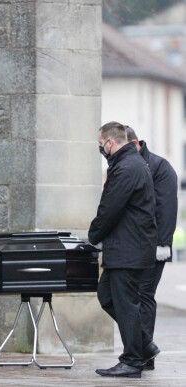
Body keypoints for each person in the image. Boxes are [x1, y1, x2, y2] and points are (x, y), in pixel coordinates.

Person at [89, 121, 157, 379]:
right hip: (128, 248)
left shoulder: (126, 168)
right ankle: (145, 345)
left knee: (126, 305)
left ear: (110, 142)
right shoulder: (129, 164)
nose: (101, 150)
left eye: (100, 145)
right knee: (106, 295)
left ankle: (131, 360)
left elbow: (110, 208)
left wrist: (92, 236)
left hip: (129, 250)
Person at [126, 126, 178, 371]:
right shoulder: (130, 165)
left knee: (144, 297)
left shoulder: (160, 167)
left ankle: (143, 355)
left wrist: (162, 244)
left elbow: (166, 209)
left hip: (153, 246)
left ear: (135, 144)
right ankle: (142, 349)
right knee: (130, 298)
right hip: (133, 245)